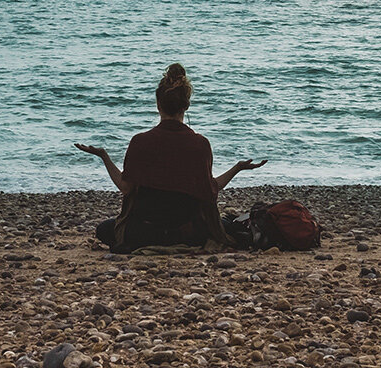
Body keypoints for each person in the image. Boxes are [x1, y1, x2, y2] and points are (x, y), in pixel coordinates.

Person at [75, 63, 266, 253]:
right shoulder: (200, 144)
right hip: (188, 233)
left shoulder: (140, 141)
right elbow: (210, 191)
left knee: (104, 229)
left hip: (144, 231)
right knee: (227, 225)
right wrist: (237, 168)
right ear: (187, 105)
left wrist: (104, 157)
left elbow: (126, 188)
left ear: (158, 104)